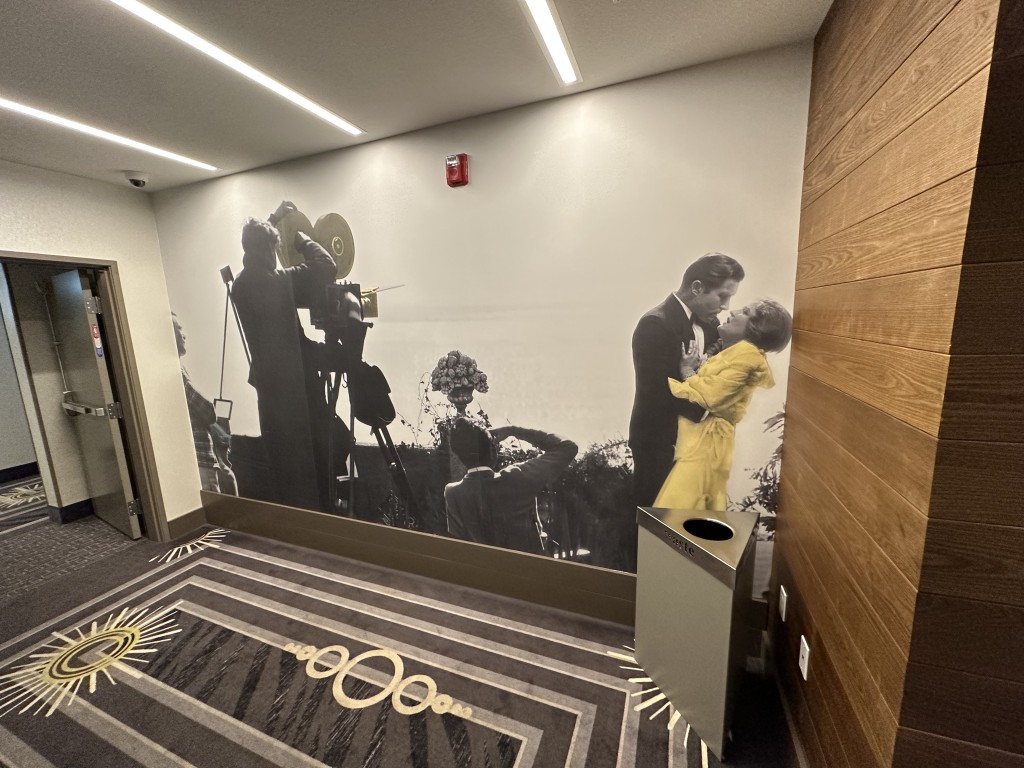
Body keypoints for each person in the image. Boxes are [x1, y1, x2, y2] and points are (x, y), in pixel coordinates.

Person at [230, 204, 338, 511]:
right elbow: (326, 266)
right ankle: (318, 516)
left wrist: (274, 220)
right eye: (275, 249)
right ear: (268, 250)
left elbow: (254, 244)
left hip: (269, 390)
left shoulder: (241, 284)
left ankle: (295, 520)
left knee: (282, 464)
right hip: (295, 390)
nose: (278, 255)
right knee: (308, 461)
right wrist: (304, 241)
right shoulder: (277, 283)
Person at [629, 253, 745, 510]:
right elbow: (658, 396)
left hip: (697, 446)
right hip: (660, 446)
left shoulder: (712, 324)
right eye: (722, 296)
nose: (726, 306)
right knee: (658, 524)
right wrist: (709, 404)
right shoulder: (655, 324)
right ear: (697, 288)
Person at [653, 299, 792, 511]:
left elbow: (710, 396)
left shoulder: (747, 357)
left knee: (676, 508)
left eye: (745, 312)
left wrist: (686, 372)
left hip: (709, 445)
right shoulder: (737, 354)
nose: (733, 312)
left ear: (757, 328)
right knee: (692, 509)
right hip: (706, 440)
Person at [444, 420, 578, 554]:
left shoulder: (453, 493)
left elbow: (459, 547)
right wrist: (513, 430)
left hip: (482, 566)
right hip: (527, 565)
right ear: (493, 451)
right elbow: (568, 447)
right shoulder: (518, 477)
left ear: (460, 455)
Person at [173, 313, 237, 495]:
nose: (184, 335)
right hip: (201, 461)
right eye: (179, 329)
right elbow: (207, 410)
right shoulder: (175, 370)